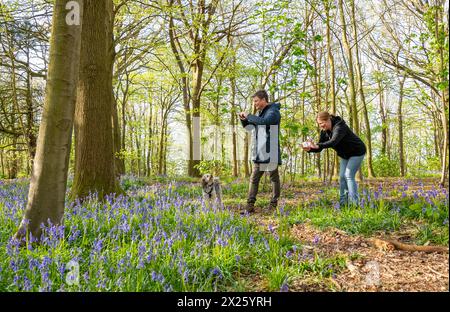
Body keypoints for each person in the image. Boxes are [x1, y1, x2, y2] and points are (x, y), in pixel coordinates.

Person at [303, 112, 366, 206]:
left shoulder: (340, 127)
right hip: (345, 155)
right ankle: (343, 204)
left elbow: (333, 142)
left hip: (357, 151)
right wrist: (310, 149)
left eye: (321, 123)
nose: (321, 126)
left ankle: (355, 204)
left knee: (348, 175)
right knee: (342, 177)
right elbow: (320, 147)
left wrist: (317, 145)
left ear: (328, 119)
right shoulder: (324, 132)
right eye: (319, 124)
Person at [239, 90, 281, 214]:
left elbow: (265, 123)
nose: (255, 103)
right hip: (260, 151)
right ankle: (249, 206)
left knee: (274, 178)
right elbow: (249, 128)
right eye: (254, 101)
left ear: (264, 100)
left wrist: (249, 116)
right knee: (254, 178)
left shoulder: (273, 111)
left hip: (271, 150)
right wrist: (244, 120)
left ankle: (273, 205)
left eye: (256, 101)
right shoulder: (260, 113)